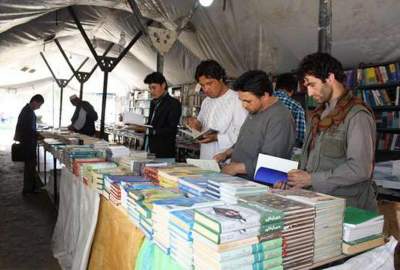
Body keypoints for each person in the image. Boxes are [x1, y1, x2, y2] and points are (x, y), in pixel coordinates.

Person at [285, 52, 377, 211]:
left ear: (330, 78)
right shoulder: (318, 115)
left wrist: (310, 179)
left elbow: (360, 168)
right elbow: (312, 160)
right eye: (307, 87)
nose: (309, 93)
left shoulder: (357, 115)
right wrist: (295, 179)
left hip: (348, 207)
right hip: (317, 201)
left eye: (312, 84)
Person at [214, 70, 296, 179]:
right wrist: (226, 154)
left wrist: (236, 168)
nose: (244, 105)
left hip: (259, 186)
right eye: (241, 100)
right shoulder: (255, 109)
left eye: (248, 101)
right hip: (239, 181)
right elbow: (245, 141)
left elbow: (272, 161)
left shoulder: (280, 118)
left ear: (265, 95)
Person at [186, 60, 247, 159]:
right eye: (202, 85)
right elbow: (200, 127)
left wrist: (217, 138)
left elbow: (244, 135)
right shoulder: (206, 101)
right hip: (205, 158)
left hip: (226, 161)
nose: (205, 89)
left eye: (209, 83)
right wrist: (195, 126)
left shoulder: (237, 100)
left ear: (221, 79)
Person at [141, 72, 181, 158]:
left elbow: (171, 129)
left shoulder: (173, 104)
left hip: (163, 153)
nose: (151, 91)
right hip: (148, 148)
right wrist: (140, 126)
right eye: (150, 88)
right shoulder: (153, 103)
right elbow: (152, 124)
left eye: (154, 88)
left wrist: (149, 131)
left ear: (163, 85)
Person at [14, 94, 44, 194]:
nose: (39, 107)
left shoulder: (27, 110)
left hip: (27, 141)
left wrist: (36, 134)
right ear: (35, 101)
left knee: (29, 166)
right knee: (30, 166)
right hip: (28, 143)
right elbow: (29, 130)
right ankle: (29, 189)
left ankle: (29, 187)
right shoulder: (28, 112)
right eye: (39, 105)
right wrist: (38, 135)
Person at [274, 73, 306, 147]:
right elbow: (300, 136)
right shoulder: (296, 107)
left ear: (276, 86)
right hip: (285, 149)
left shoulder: (264, 100)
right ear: (292, 90)